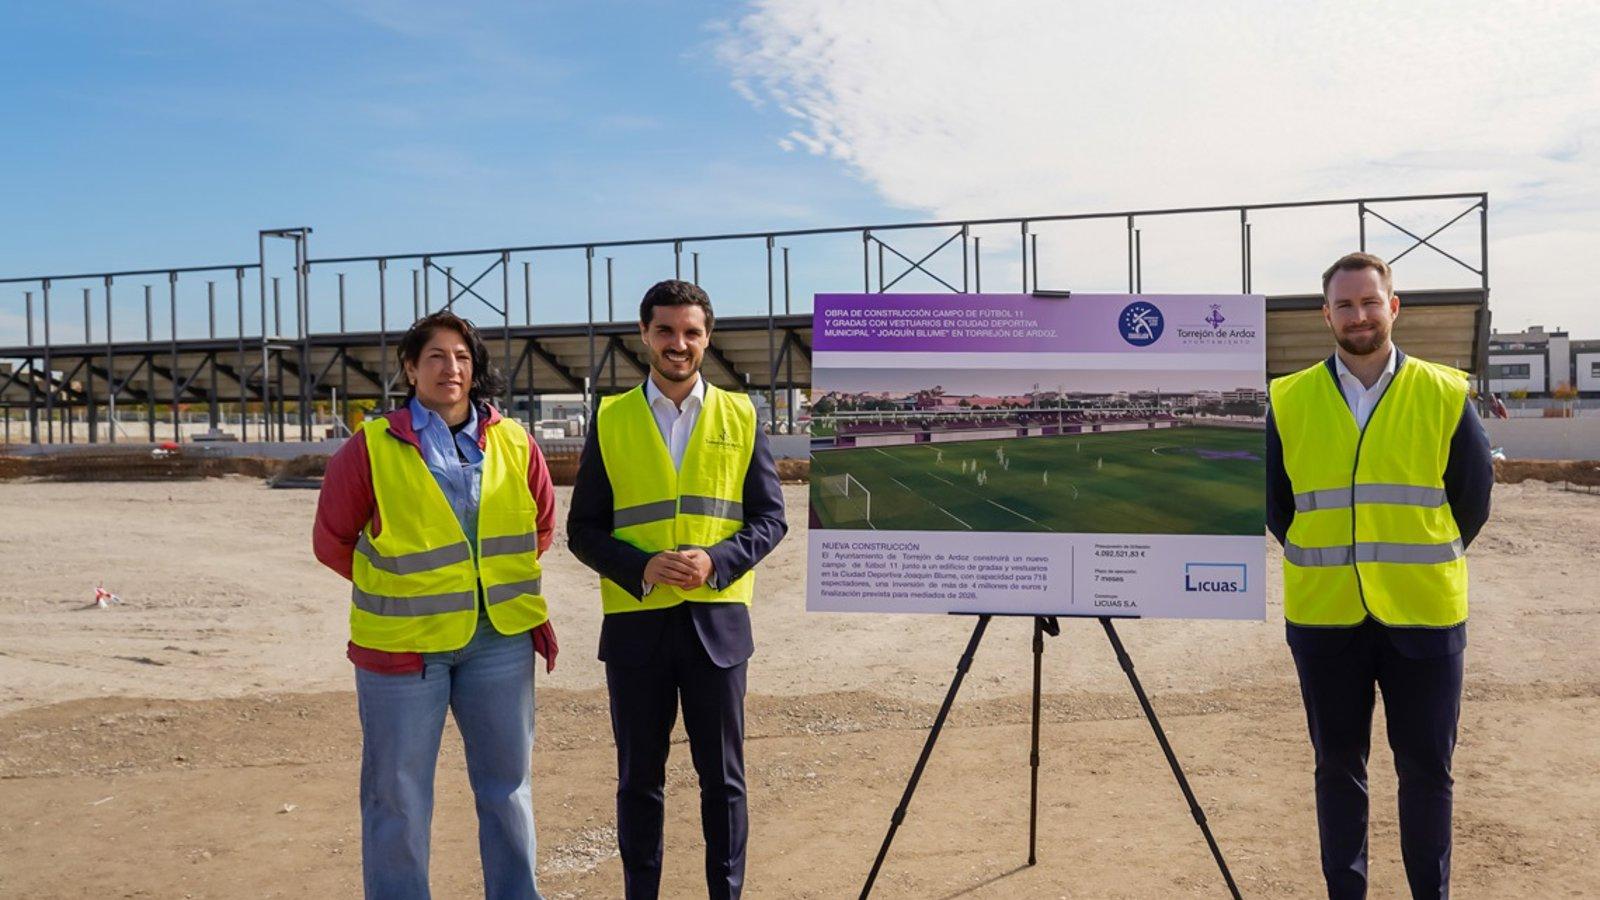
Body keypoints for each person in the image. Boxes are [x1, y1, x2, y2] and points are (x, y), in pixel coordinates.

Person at [1266, 252, 1492, 899]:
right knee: (1337, 770)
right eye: (1344, 304)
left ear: (1393, 307)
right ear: (1325, 314)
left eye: (1370, 302)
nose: (1358, 315)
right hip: (1325, 618)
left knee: (1426, 772)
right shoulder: (1289, 398)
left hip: (1424, 618)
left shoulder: (1445, 393)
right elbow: (1277, 507)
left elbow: (1471, 501)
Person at [313, 310, 559, 900]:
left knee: (508, 789)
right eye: (437, 357)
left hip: (498, 640)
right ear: (410, 368)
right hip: (405, 650)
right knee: (397, 795)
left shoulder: (515, 441)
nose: (452, 369)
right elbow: (331, 542)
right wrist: (408, 589)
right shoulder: (371, 446)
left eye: (463, 358)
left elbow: (541, 528)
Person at [567, 279, 787, 899]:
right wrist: (641, 567)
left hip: (717, 629)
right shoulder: (610, 418)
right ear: (644, 335)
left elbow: (771, 520)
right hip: (638, 630)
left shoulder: (741, 414)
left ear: (707, 338)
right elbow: (582, 530)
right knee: (639, 780)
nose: (678, 343)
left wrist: (714, 561)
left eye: (691, 332)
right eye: (665, 330)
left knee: (724, 781)